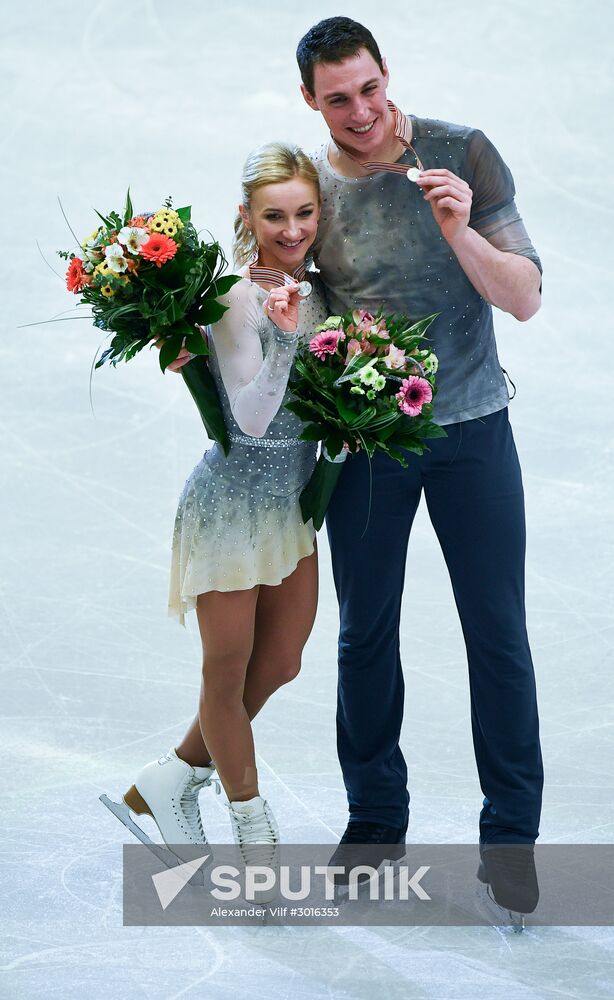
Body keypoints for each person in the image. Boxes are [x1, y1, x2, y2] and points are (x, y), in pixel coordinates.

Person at [295, 17, 544, 914]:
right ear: (310, 101)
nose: (360, 113)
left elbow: (524, 298)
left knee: (497, 635)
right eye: (337, 99)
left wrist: (459, 231)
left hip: (475, 430)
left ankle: (511, 840)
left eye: (368, 89)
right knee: (365, 637)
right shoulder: (307, 183)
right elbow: (288, 299)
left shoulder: (462, 152)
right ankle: (375, 821)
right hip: (368, 443)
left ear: (386, 76)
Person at [109, 142, 328, 856]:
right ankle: (253, 830)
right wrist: (287, 341)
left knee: (283, 660)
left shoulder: (321, 290)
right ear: (248, 217)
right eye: (274, 216)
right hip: (232, 506)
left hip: (290, 507)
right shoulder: (237, 297)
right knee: (226, 671)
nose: (291, 230)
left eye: (304, 212)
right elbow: (254, 416)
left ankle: (174, 775)